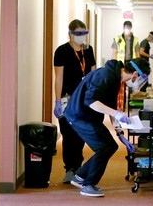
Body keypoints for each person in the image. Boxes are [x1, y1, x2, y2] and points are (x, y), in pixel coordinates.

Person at [64, 57, 151, 197]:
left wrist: (120, 134)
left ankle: (80, 177)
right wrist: (117, 114)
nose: (138, 83)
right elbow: (90, 101)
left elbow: (111, 107)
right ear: (135, 74)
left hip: (89, 117)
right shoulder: (106, 75)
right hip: (78, 116)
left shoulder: (115, 78)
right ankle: (88, 185)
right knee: (103, 147)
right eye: (140, 79)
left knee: (111, 146)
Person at [53, 19, 96, 184]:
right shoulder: (62, 51)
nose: (81, 37)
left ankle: (77, 165)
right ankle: (69, 168)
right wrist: (57, 101)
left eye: (84, 33)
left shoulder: (88, 50)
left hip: (84, 99)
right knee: (67, 133)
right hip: (67, 98)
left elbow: (92, 74)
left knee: (80, 134)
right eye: (78, 34)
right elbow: (59, 78)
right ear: (70, 34)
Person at [111, 21, 140, 111]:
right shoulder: (118, 39)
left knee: (132, 85)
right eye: (126, 28)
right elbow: (114, 53)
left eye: (129, 28)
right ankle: (122, 106)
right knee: (121, 85)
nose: (127, 30)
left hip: (132, 65)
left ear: (131, 28)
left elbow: (137, 54)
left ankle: (131, 104)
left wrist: (138, 67)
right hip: (121, 64)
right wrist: (113, 65)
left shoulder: (135, 40)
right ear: (123, 28)